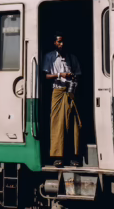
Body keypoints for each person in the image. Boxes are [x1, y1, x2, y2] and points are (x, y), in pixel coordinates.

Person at [42, 34, 82, 168]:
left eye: (63, 42)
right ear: (54, 43)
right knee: (57, 124)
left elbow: (79, 74)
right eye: (59, 42)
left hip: (70, 91)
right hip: (57, 91)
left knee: (73, 123)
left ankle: (73, 156)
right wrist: (60, 75)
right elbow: (46, 75)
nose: (61, 45)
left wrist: (73, 78)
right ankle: (57, 156)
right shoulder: (50, 57)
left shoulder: (72, 58)